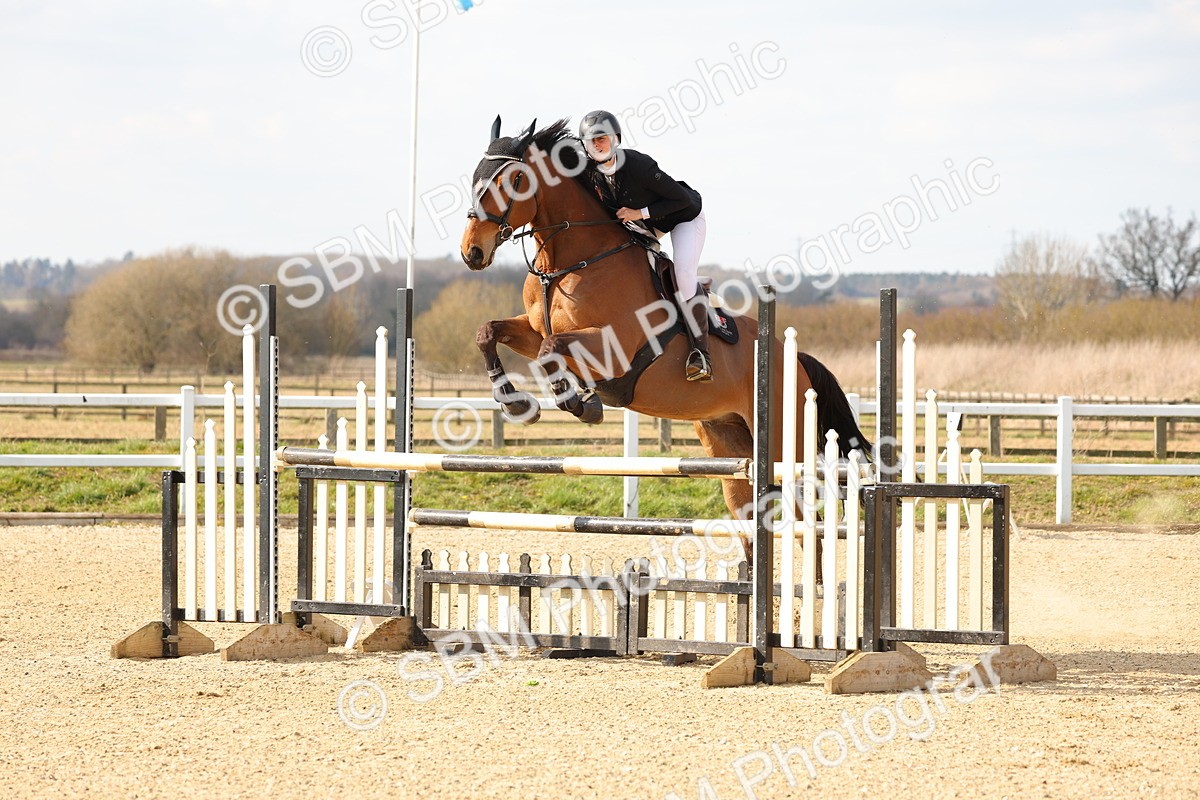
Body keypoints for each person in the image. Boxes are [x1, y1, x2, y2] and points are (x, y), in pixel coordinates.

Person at [578, 110, 713, 382]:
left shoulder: (639, 165)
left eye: (602, 138)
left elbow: (681, 200)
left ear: (616, 139)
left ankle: (701, 354)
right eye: (591, 141)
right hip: (646, 225)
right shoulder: (590, 173)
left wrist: (639, 213)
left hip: (683, 216)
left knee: (683, 273)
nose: (597, 145)